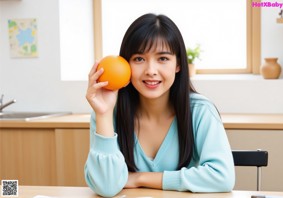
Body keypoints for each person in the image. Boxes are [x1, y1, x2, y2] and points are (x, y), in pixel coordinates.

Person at [85, 13, 235, 197]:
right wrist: (103, 114)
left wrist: (140, 178)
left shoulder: (200, 111)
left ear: (178, 64)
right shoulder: (109, 113)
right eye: (139, 59)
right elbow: (106, 187)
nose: (151, 71)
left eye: (162, 59)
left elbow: (222, 177)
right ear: (126, 64)